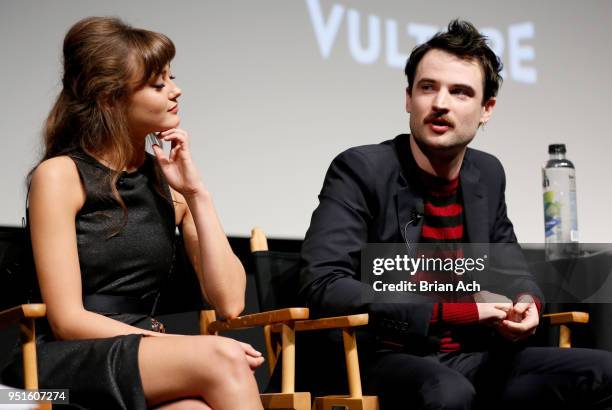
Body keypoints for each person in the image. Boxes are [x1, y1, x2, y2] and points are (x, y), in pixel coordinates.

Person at [299, 20, 612, 409]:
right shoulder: (362, 169)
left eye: (460, 92)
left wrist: (527, 303)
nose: (440, 103)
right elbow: (324, 284)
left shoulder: (487, 173)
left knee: (605, 372)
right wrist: (454, 311)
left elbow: (512, 269)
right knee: (449, 393)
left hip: (474, 358)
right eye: (428, 87)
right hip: (378, 355)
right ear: (408, 98)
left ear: (486, 110)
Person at [1, 17, 264, 410]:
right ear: (110, 99)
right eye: (159, 84)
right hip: (57, 368)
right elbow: (68, 321)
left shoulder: (166, 179)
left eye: (172, 79)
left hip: (141, 354)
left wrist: (196, 193)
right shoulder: (61, 175)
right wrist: (182, 346)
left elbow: (229, 303)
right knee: (222, 359)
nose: (176, 91)